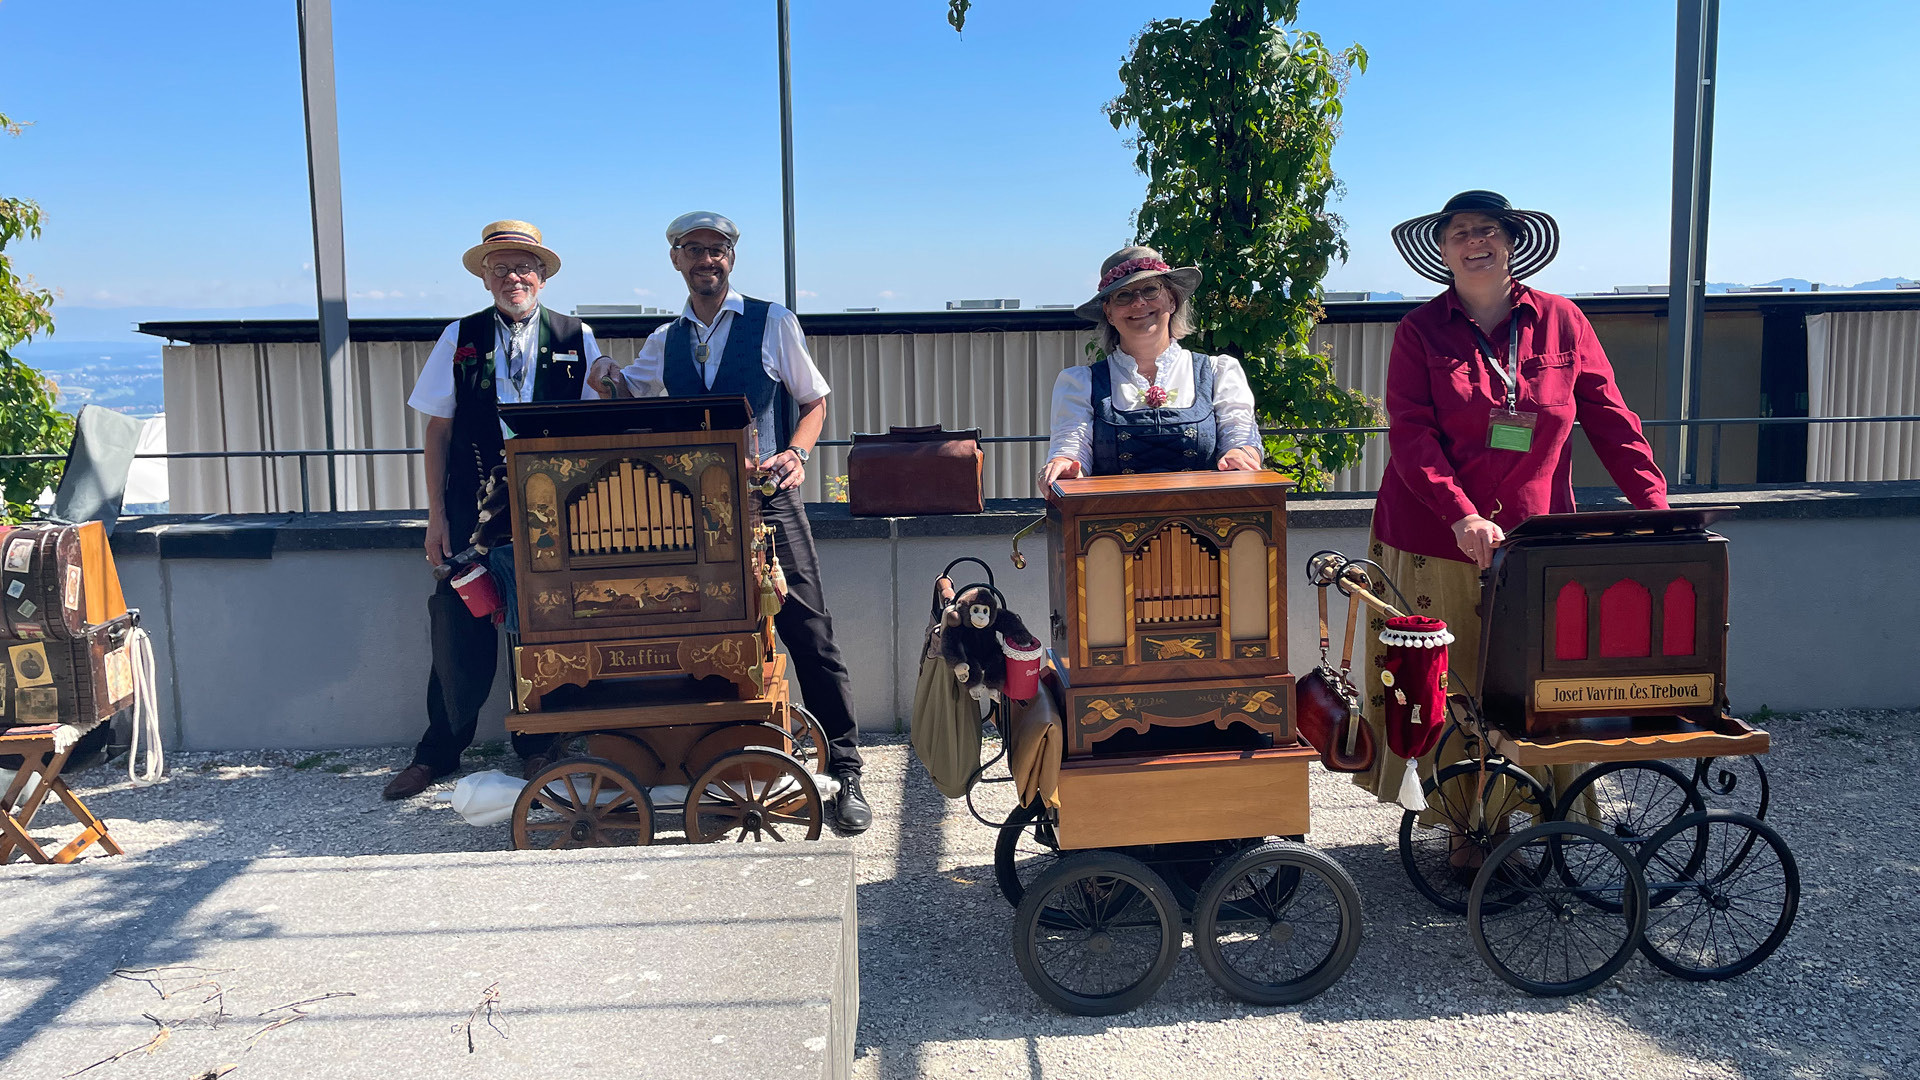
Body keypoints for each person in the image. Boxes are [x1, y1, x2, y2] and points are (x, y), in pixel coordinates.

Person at [1356, 190, 1670, 835]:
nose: (1476, 242)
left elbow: (1612, 420)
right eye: (1461, 232)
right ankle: (1464, 826)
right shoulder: (1419, 330)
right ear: (1442, 251)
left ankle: (1525, 813)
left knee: (1530, 679)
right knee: (1451, 682)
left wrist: (1656, 508)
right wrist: (1462, 515)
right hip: (1433, 533)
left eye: (1488, 230)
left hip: (1534, 534)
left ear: (1512, 242)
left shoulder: (1563, 320)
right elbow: (1411, 435)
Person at [587, 211, 872, 833]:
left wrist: (797, 454)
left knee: (809, 633)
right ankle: (719, 761)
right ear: (676, 260)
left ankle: (847, 769)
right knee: (707, 633)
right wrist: (603, 370)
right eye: (693, 250)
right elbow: (627, 394)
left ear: (731, 259)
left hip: (768, 500)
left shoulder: (773, 321)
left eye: (716, 250)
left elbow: (815, 400)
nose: (706, 260)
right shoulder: (664, 340)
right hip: (693, 511)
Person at [383, 221, 606, 801]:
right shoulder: (459, 335)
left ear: (543, 276)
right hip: (472, 505)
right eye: (501, 267)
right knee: (460, 623)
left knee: (547, 622)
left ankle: (541, 744)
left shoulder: (576, 335)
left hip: (554, 508)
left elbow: (597, 426)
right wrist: (436, 516)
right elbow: (438, 431)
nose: (514, 277)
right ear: (485, 278)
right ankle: (439, 750)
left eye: (524, 266)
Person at [1041, 245, 1264, 484]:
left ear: (1172, 300)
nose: (1138, 303)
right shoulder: (1081, 383)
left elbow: (1240, 436)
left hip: (1203, 508)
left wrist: (1240, 454)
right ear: (1109, 313)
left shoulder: (1218, 372)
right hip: (1116, 509)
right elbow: (1072, 448)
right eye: (1123, 295)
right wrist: (1065, 463)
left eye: (1150, 290)